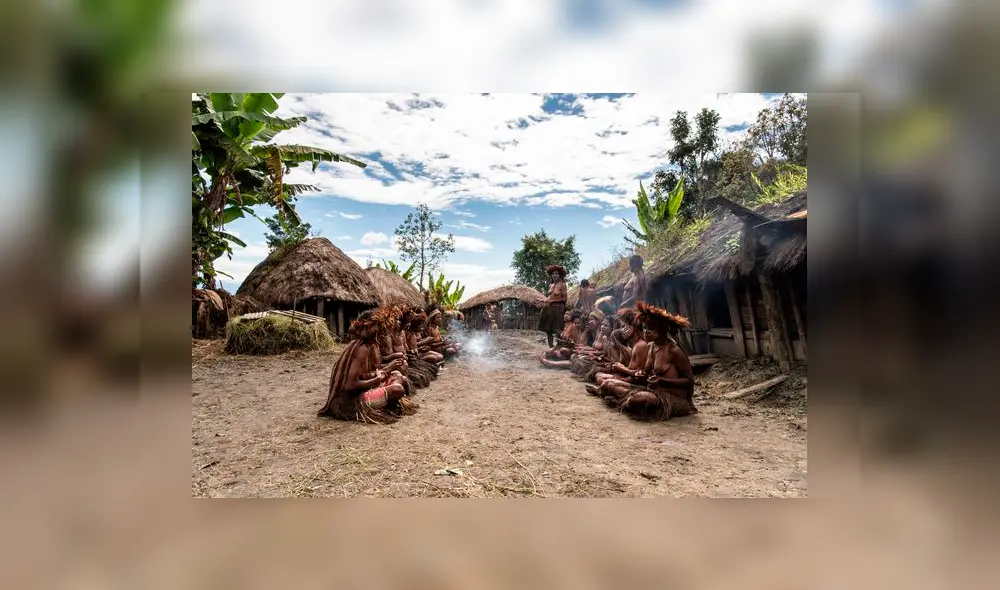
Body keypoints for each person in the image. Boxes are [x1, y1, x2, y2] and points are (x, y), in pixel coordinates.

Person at [318, 310, 417, 424]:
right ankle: (384, 407)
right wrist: (376, 379)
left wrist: (380, 373)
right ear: (373, 331)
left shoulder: (366, 345)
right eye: (381, 331)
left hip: (359, 391)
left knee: (397, 376)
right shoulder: (362, 349)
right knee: (397, 389)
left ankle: (385, 404)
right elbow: (350, 385)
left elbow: (363, 375)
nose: (383, 335)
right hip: (349, 401)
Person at [604, 302, 698, 421]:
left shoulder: (674, 351)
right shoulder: (652, 346)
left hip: (674, 398)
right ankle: (627, 403)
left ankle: (624, 403)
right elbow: (646, 374)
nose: (646, 331)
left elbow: (689, 381)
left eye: (651, 328)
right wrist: (641, 375)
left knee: (638, 399)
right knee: (610, 384)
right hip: (654, 392)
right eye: (644, 327)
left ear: (662, 329)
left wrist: (663, 381)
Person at [586, 308, 650, 396]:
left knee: (607, 382)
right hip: (629, 378)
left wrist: (622, 369)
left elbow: (640, 375)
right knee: (599, 376)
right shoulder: (635, 344)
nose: (622, 330)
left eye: (624, 326)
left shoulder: (641, 345)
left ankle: (603, 391)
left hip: (637, 384)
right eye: (621, 327)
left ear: (633, 327)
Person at [537, 265, 568, 348]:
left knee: (557, 329)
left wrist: (553, 301)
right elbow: (549, 298)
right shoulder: (551, 285)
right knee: (548, 330)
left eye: (557, 274)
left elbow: (565, 298)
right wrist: (542, 300)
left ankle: (561, 347)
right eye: (553, 274)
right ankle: (551, 348)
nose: (555, 275)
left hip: (558, 309)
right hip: (548, 309)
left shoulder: (563, 285)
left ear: (560, 275)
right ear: (551, 275)